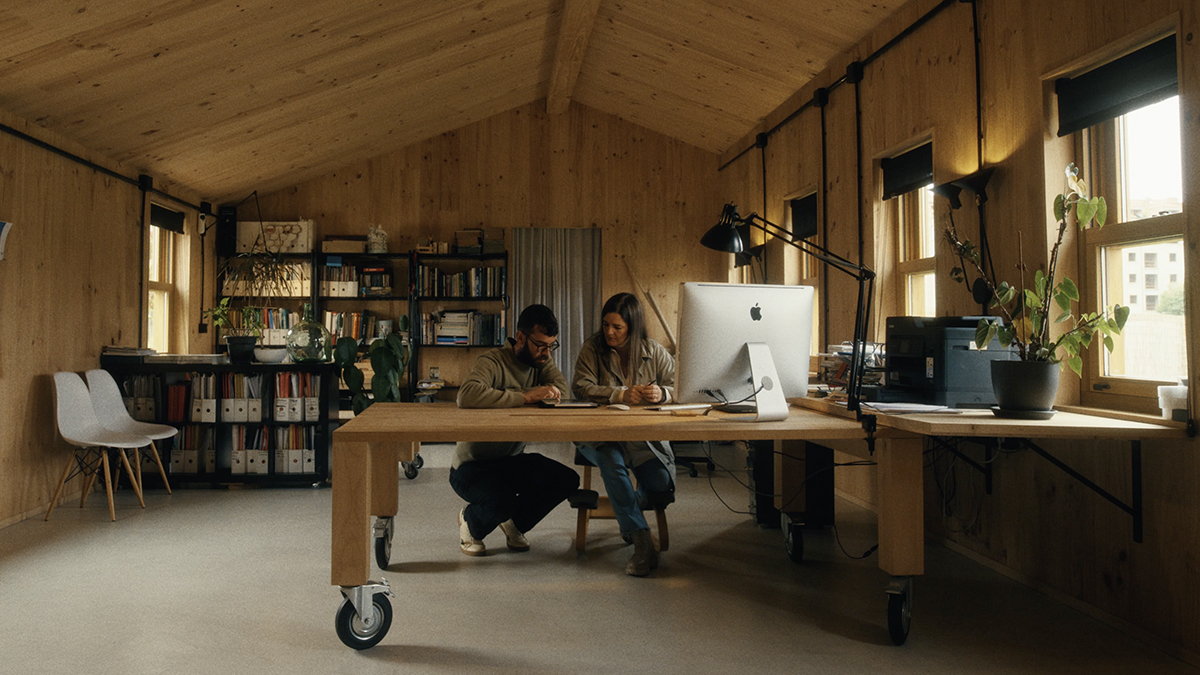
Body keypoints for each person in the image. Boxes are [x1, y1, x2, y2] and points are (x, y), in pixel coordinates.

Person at [450, 304, 581, 556]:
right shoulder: (492, 360)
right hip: (471, 466)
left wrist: (534, 389)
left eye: (551, 346)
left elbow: (562, 394)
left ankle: (514, 524)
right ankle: (469, 521)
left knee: (567, 480)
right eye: (540, 345)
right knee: (503, 501)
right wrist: (526, 396)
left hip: (510, 461)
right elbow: (467, 395)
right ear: (520, 337)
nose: (546, 353)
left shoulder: (541, 360)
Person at [572, 292, 676, 576]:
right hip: (597, 434)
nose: (609, 332)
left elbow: (681, 387)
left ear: (633, 326)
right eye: (606, 325)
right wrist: (619, 394)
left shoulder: (655, 352)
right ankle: (640, 540)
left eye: (617, 327)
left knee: (661, 483)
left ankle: (627, 510)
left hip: (641, 436)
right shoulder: (592, 349)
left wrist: (663, 393)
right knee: (612, 462)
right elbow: (580, 388)